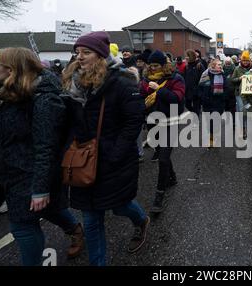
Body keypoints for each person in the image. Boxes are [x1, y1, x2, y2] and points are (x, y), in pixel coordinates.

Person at [0, 47, 84, 265]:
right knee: (49, 211)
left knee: (22, 226)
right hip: (13, 171)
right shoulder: (4, 94)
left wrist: (40, 187)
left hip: (34, 172)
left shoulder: (43, 100)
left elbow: (45, 145)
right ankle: (74, 228)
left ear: (11, 69)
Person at [61, 32, 149, 265]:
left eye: (86, 52)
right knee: (91, 218)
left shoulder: (122, 81)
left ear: (100, 55)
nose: (79, 57)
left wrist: (116, 153)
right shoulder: (72, 83)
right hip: (83, 159)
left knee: (120, 206)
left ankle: (141, 220)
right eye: (77, 52)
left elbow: (133, 121)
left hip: (112, 158)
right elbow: (69, 121)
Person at [139, 50, 185, 214]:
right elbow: (141, 97)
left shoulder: (175, 78)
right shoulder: (145, 80)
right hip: (153, 122)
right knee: (160, 152)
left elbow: (176, 99)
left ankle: (159, 195)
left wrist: (158, 89)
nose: (152, 68)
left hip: (171, 122)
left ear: (164, 65)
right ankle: (171, 177)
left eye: (156, 65)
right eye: (150, 66)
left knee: (163, 159)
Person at [199, 58, 228, 147]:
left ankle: (213, 138)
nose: (220, 66)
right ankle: (212, 136)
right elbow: (200, 87)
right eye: (219, 64)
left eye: (221, 64)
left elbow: (226, 88)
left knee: (215, 121)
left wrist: (224, 98)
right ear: (213, 66)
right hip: (207, 102)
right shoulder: (205, 74)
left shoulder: (222, 75)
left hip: (218, 103)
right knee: (209, 122)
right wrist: (203, 98)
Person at [231, 51, 252, 139]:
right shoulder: (237, 69)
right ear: (241, 61)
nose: (245, 62)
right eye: (244, 61)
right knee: (241, 111)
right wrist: (239, 78)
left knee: (249, 110)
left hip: (250, 93)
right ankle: (243, 129)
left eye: (247, 61)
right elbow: (232, 80)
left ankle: (248, 128)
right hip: (239, 93)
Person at [183, 49, 205, 118]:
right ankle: (194, 114)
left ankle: (196, 120)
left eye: (187, 56)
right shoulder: (186, 66)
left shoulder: (199, 66)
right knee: (187, 105)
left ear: (191, 56)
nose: (185, 58)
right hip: (188, 90)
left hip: (196, 91)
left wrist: (200, 90)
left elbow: (203, 79)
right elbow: (184, 77)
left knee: (196, 107)